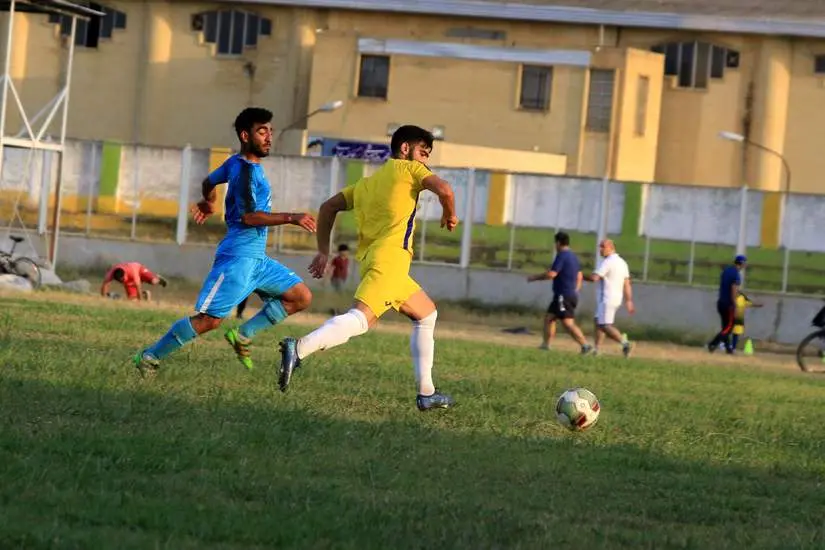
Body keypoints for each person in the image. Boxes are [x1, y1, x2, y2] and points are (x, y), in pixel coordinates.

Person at [277, 125, 458, 411]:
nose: (426, 160)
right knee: (360, 321)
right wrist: (450, 214)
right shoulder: (410, 170)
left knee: (426, 314)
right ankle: (299, 348)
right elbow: (445, 190)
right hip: (391, 261)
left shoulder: (365, 185)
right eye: (423, 152)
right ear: (404, 149)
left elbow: (327, 207)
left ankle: (427, 393)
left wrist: (324, 250)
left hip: (379, 261)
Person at [132, 107, 317, 377]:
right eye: (262, 131)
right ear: (245, 135)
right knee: (209, 320)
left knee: (300, 296)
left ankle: (244, 335)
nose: (268, 138)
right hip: (239, 258)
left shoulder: (236, 164)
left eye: (270, 132)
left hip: (258, 260)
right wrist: (292, 216)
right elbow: (250, 217)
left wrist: (210, 201)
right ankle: (149, 356)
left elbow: (209, 181)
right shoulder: (245, 173)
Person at [527, 231, 592, 354]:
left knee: (568, 322)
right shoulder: (573, 256)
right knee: (549, 318)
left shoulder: (562, 255)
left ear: (558, 243)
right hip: (565, 294)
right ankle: (546, 345)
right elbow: (579, 275)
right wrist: (575, 290)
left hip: (563, 295)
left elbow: (552, 274)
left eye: (555, 243)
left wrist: (534, 277)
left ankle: (585, 345)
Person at [584, 239, 634, 357]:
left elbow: (594, 278)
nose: (600, 250)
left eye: (603, 247)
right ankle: (597, 349)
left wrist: (580, 276)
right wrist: (629, 300)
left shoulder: (607, 262)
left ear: (611, 248)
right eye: (600, 247)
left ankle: (625, 343)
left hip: (607, 299)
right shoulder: (622, 263)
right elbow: (627, 283)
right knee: (597, 321)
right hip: (616, 298)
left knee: (605, 325)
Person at [707, 254, 747, 354]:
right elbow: (734, 289)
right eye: (745, 263)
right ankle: (713, 343)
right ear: (741, 264)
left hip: (720, 302)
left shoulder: (726, 271)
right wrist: (735, 304)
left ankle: (728, 349)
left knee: (725, 327)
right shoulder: (736, 275)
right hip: (728, 304)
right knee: (729, 328)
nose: (745, 265)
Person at [100, 262, 167, 301]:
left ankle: (158, 279)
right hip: (129, 279)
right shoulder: (111, 273)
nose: (121, 282)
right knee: (132, 299)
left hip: (139, 269)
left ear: (124, 275)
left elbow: (138, 286)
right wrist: (104, 298)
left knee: (153, 281)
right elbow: (105, 285)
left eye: (122, 280)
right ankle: (145, 294)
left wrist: (140, 302)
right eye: (119, 281)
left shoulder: (131, 272)